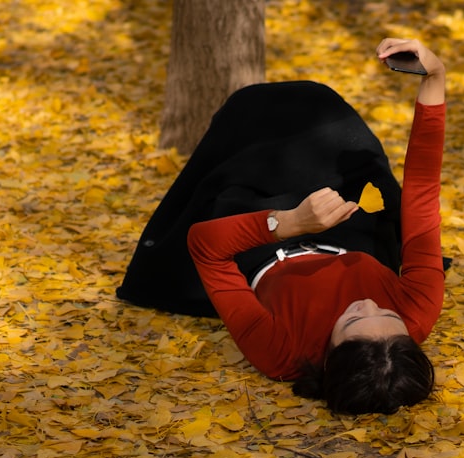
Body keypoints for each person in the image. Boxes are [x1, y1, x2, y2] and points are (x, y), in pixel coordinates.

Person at [119, 38, 446, 414]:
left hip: (258, 236)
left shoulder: (280, 354)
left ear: (328, 357)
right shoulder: (418, 311)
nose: (371, 303)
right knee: (319, 109)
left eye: (354, 318)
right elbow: (421, 196)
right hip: (349, 224)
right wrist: (435, 78)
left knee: (251, 116)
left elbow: (205, 246)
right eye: (389, 316)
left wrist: (288, 223)